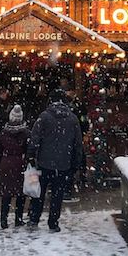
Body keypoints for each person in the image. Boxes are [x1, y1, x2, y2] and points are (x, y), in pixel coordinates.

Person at [27, 89, 83, 232]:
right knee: (57, 195)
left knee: (39, 192)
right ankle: (53, 222)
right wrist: (76, 162)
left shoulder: (44, 117)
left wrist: (31, 155)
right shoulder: (72, 118)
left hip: (44, 161)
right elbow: (78, 143)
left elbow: (35, 137)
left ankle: (34, 219)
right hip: (64, 162)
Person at [0, 105, 29, 229]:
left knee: (6, 194)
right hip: (19, 163)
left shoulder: (4, 132)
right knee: (20, 193)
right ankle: (18, 219)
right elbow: (28, 149)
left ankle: (3, 220)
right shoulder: (25, 133)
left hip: (6, 163)